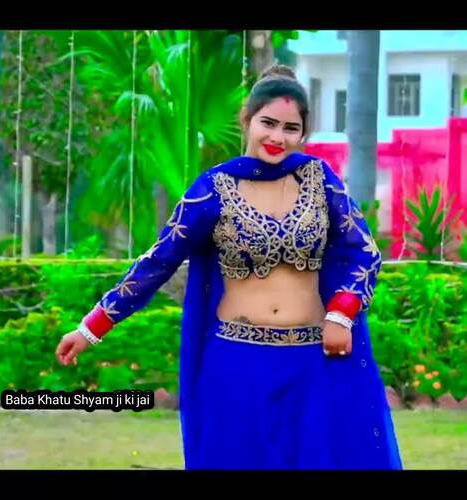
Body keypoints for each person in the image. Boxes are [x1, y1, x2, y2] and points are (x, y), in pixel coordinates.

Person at [55, 64, 403, 470]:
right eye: (267, 123)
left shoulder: (320, 181)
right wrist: (92, 327)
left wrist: (342, 313)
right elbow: (159, 260)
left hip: (311, 365)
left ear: (303, 133)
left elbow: (365, 252)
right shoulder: (213, 189)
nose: (277, 137)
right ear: (246, 119)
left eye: (290, 128)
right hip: (237, 366)